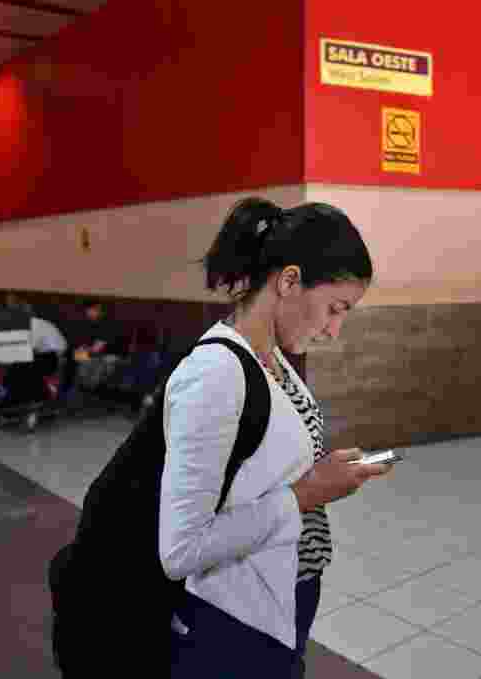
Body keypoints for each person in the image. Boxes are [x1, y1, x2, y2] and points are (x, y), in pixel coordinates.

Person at [163, 197, 391, 678]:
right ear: (289, 281)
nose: (335, 330)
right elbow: (181, 550)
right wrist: (308, 492)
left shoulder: (274, 357)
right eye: (334, 308)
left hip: (287, 592)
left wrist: (321, 473)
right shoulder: (215, 374)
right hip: (235, 618)